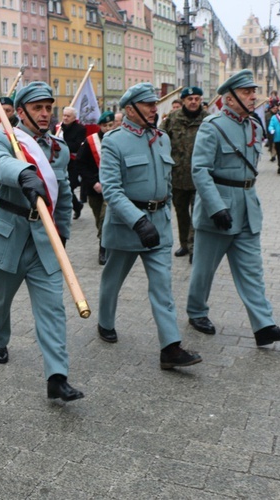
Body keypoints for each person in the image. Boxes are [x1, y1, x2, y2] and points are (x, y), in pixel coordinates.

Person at [0, 81, 84, 402]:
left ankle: (57, 376)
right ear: (21, 112)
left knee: (53, 309)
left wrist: (61, 235)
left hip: (43, 240)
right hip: (7, 235)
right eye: (38, 108)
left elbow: (61, 196)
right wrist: (24, 173)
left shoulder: (58, 149)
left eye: (49, 107)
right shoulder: (5, 138)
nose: (45, 113)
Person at [187, 69, 280, 348]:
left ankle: (264, 326)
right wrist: (215, 207)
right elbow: (199, 170)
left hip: (248, 206)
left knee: (252, 271)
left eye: (253, 91)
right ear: (230, 98)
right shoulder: (212, 126)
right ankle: (197, 312)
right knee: (204, 269)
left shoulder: (254, 126)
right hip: (219, 208)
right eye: (247, 92)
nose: (253, 97)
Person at [97, 82, 202, 369]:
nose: (155, 109)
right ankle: (105, 321)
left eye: (155, 104)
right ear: (130, 109)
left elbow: (166, 181)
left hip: (158, 225)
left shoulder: (162, 138)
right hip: (126, 226)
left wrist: (162, 212)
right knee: (112, 280)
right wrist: (138, 220)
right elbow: (112, 191)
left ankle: (170, 348)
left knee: (162, 288)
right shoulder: (114, 141)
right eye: (148, 105)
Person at [161, 85, 209, 262]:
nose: (193, 101)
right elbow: (160, 142)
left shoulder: (208, 120)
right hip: (177, 176)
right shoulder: (172, 119)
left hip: (200, 177)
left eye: (197, 98)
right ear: (183, 101)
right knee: (181, 213)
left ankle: (194, 246)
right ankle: (184, 244)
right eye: (190, 99)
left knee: (197, 213)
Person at [75, 110, 115, 265]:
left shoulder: (118, 139)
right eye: (105, 125)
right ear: (100, 126)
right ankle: (104, 241)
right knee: (100, 219)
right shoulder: (90, 142)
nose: (108, 128)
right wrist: (93, 182)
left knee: (106, 219)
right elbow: (80, 164)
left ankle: (103, 249)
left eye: (111, 125)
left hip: (113, 188)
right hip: (95, 189)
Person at [59, 106, 87, 219]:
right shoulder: (59, 128)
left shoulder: (80, 129)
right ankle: (77, 205)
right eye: (64, 115)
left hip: (74, 163)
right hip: (61, 162)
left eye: (68, 116)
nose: (65, 118)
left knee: (69, 187)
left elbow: (77, 146)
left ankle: (74, 207)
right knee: (64, 187)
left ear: (74, 118)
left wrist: (62, 144)